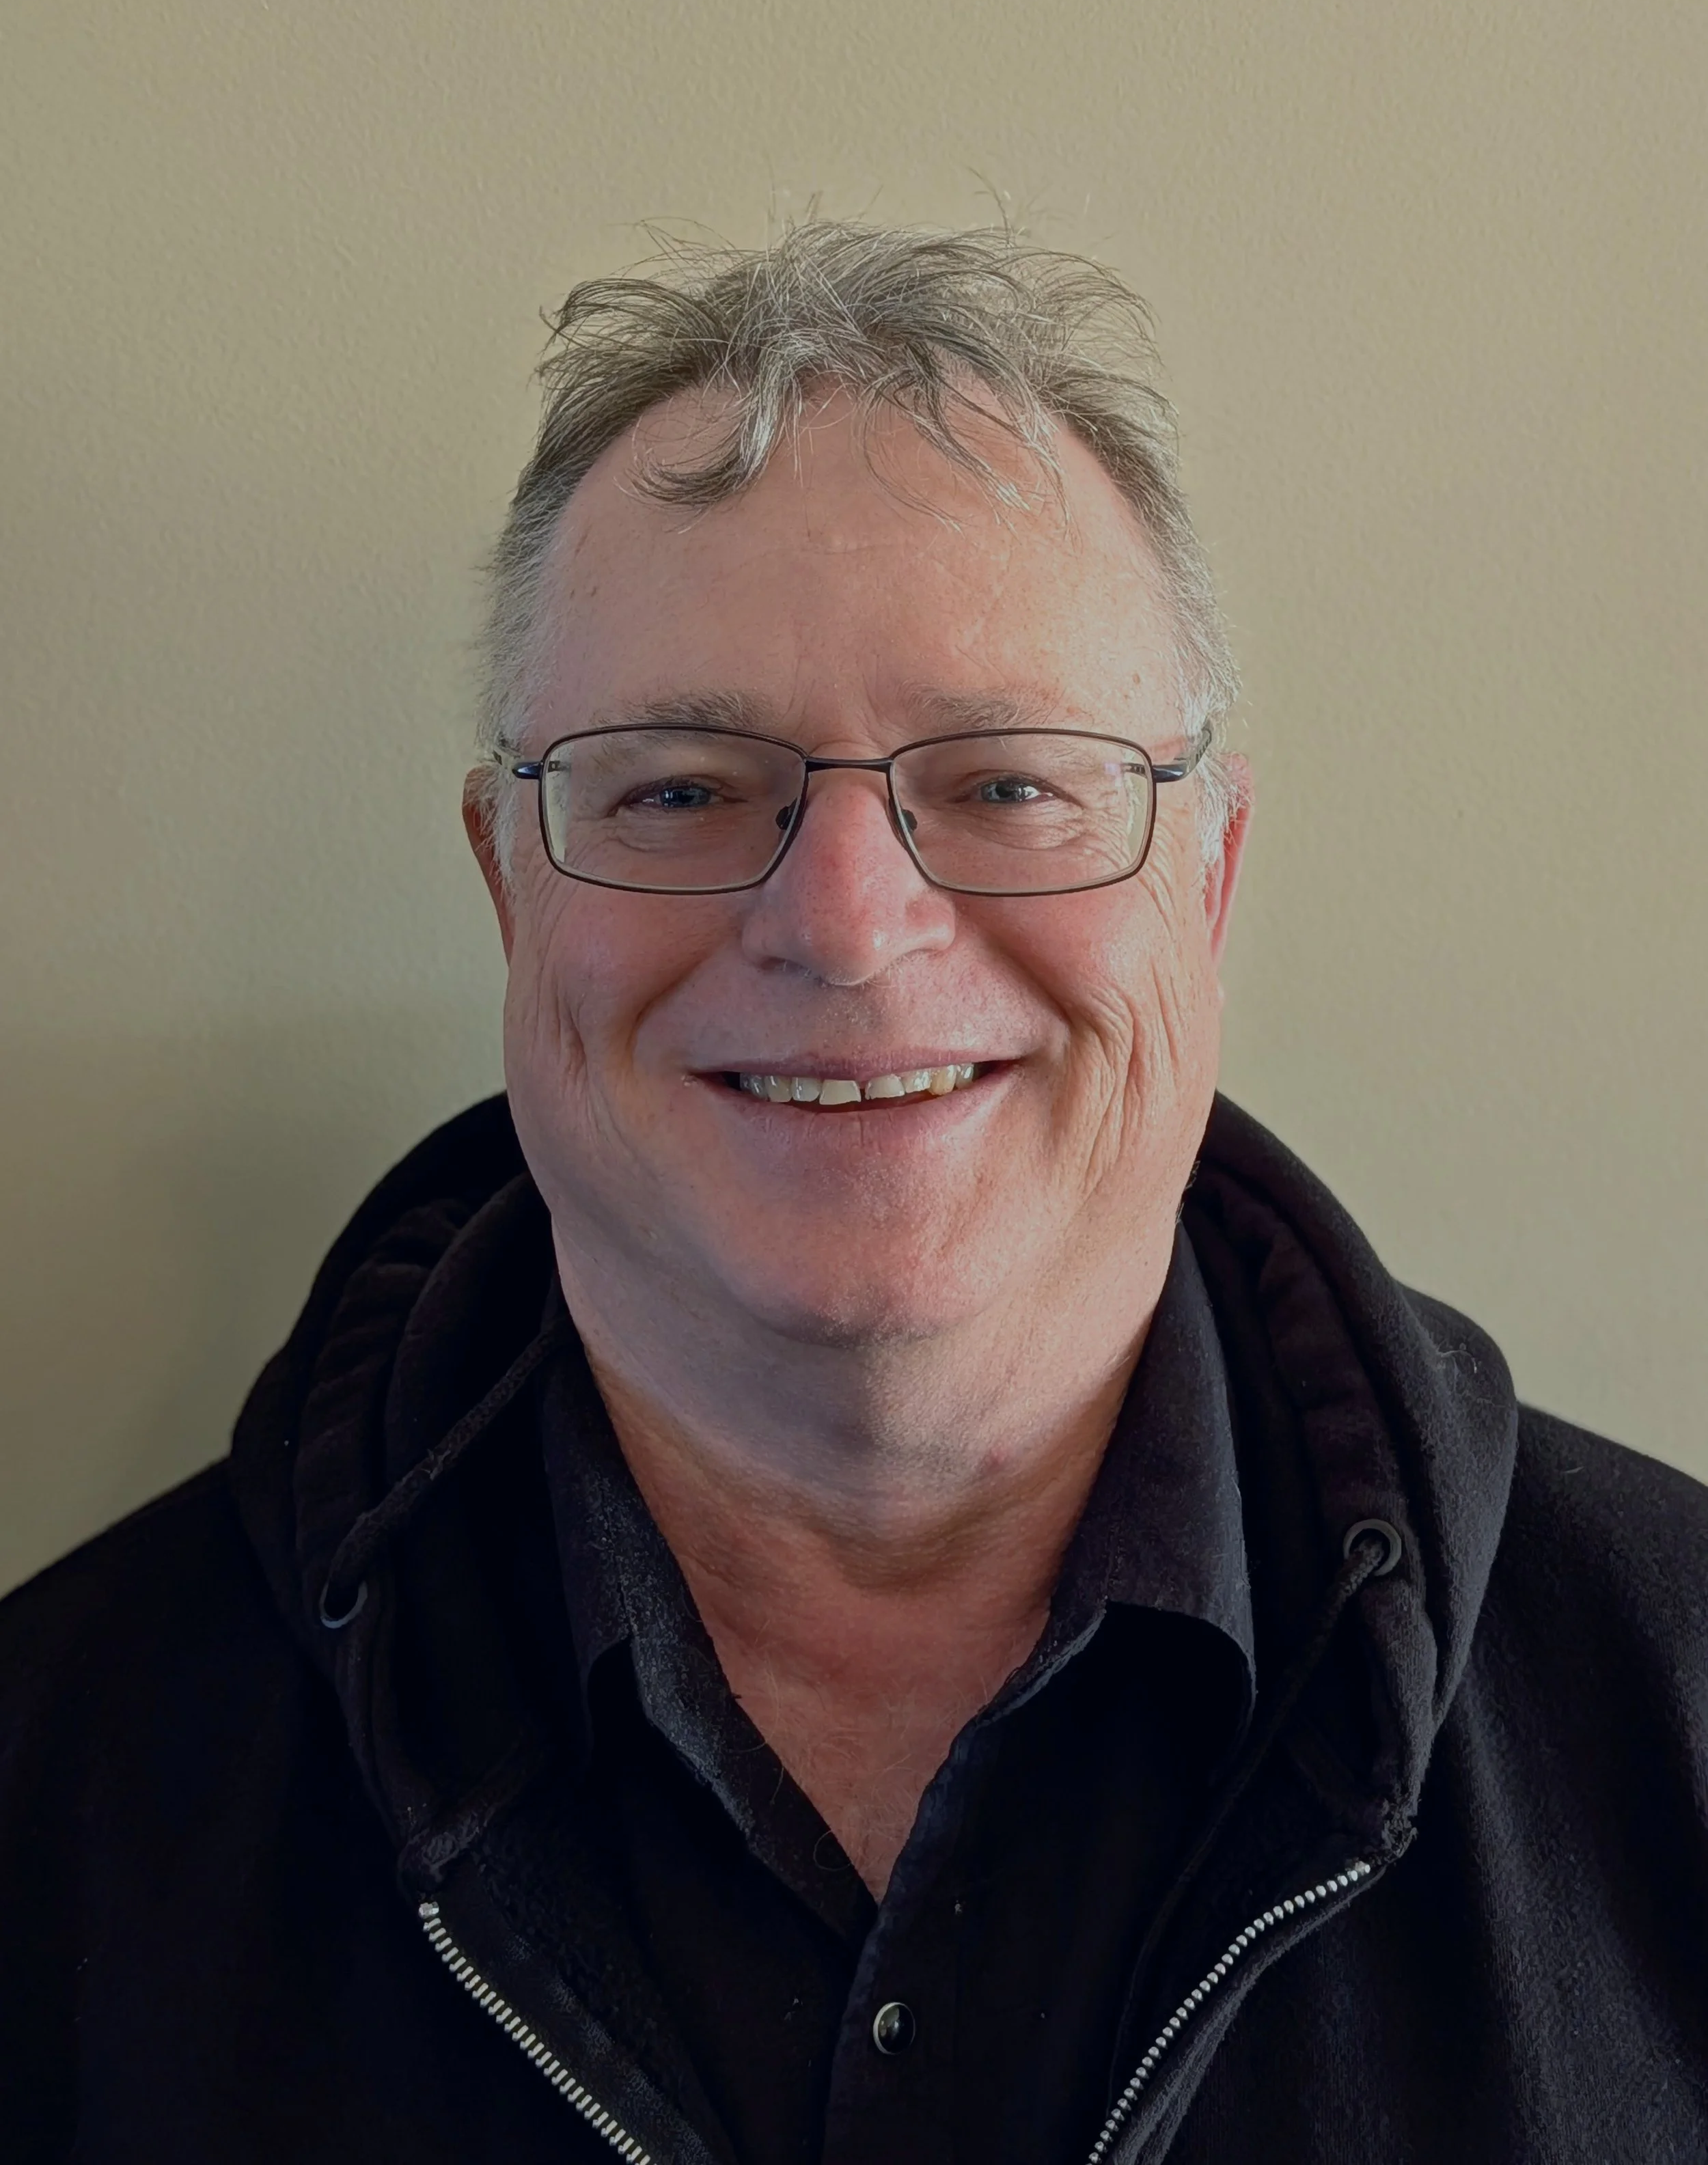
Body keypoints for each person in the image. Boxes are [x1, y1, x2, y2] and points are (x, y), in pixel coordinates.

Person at [2, 223, 1705, 2165]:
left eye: (1009, 785)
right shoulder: (57, 1799)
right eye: (677, 787)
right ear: (506, 886)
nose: (843, 922)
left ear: (1210, 880)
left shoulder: (1673, 1707)